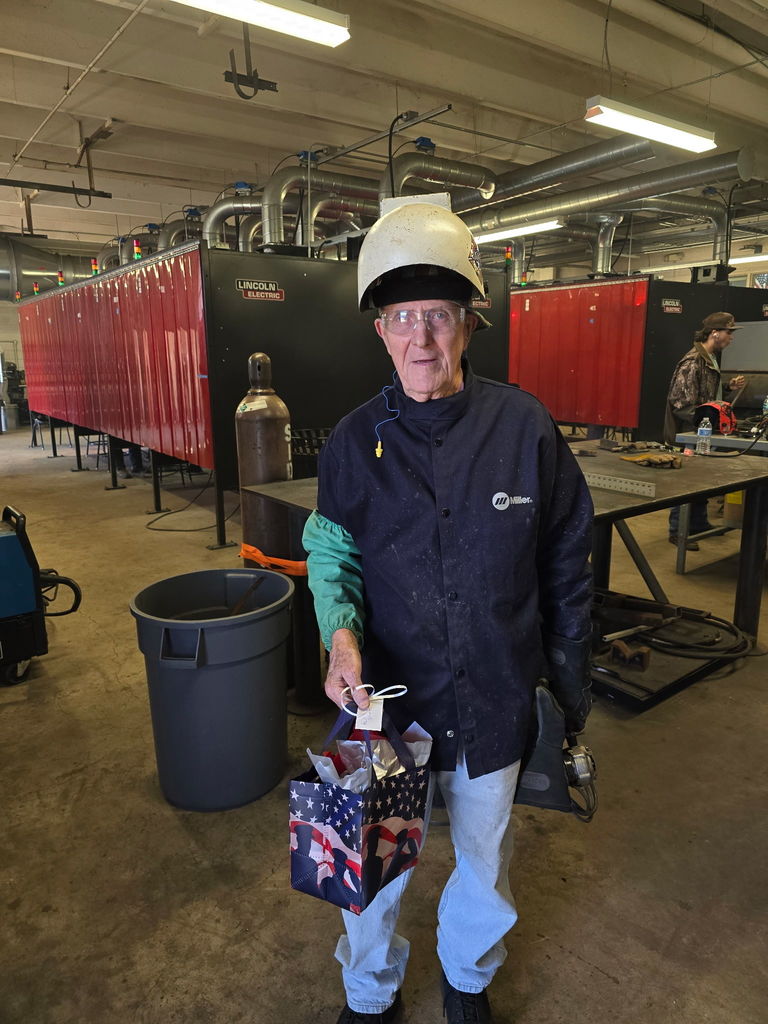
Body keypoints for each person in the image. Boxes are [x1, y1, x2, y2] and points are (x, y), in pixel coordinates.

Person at [302, 198, 594, 1024]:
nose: (421, 339)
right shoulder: (352, 445)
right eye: (402, 318)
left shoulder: (525, 426)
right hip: (381, 708)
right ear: (378, 330)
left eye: (439, 315)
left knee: (484, 858)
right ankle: (370, 995)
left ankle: (467, 982)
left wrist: (569, 693)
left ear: (471, 324)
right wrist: (342, 639)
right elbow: (331, 553)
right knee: (367, 868)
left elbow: (568, 564)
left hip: (495, 694)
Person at [663, 312, 745, 550]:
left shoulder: (709, 358)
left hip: (704, 432)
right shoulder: (692, 362)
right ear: (714, 333)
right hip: (694, 433)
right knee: (687, 482)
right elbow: (680, 402)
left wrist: (728, 387)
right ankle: (678, 530)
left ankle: (697, 523)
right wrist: (703, 424)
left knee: (702, 480)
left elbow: (707, 396)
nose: (731, 338)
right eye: (729, 332)